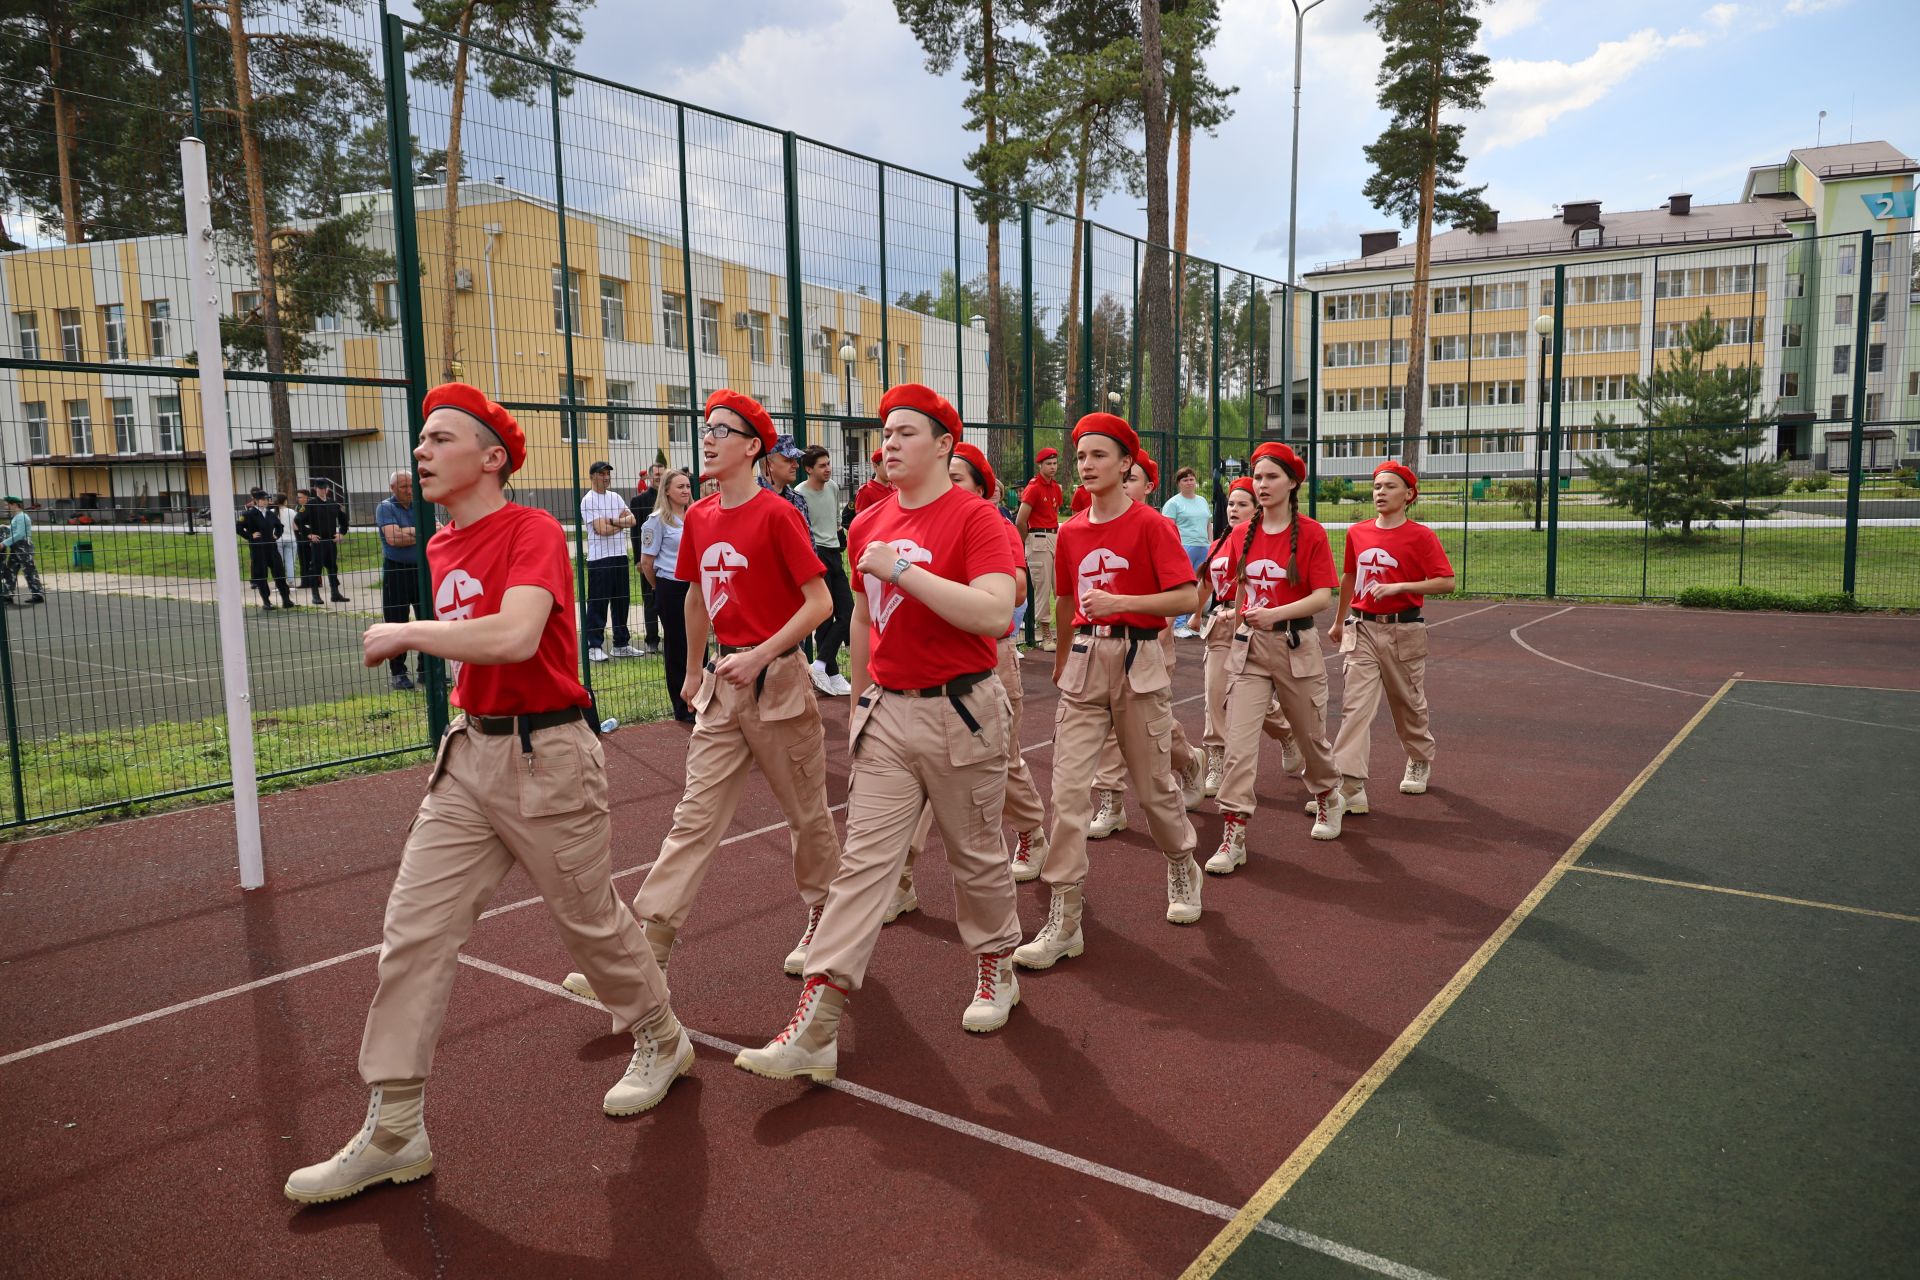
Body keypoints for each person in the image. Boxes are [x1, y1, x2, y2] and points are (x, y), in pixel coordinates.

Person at [283, 383, 689, 1206]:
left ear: (492, 457)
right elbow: (481, 653)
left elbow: (513, 634)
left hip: (551, 756)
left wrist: (407, 632)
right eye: (420, 439)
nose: (421, 451)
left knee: (591, 926)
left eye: (440, 439)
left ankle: (661, 1035)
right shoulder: (437, 545)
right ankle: (395, 1128)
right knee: (411, 932)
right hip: (469, 756)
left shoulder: (531, 528)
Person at [734, 383, 1022, 1083]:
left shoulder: (976, 519)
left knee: (976, 855)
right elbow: (863, 620)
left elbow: (993, 614)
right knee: (864, 863)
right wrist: (860, 700)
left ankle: (995, 967)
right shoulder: (867, 523)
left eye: (905, 432)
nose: (888, 443)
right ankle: (817, 1021)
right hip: (888, 711)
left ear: (945, 445)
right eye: (884, 432)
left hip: (963, 710)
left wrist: (905, 570)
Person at [561, 390, 839, 999]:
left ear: (751, 447)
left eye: (721, 429)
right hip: (722, 687)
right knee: (692, 820)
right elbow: (692, 596)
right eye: (705, 427)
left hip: (781, 684)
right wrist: (692, 671)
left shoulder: (777, 514)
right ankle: (645, 957)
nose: (707, 437)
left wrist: (762, 654)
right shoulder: (702, 517)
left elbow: (820, 604)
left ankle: (825, 918)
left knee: (805, 817)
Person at [1015, 414, 1203, 974]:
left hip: (1139, 662)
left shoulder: (1150, 525)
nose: (1088, 465)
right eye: (1082, 456)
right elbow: (1067, 603)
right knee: (1068, 792)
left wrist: (1123, 606)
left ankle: (1181, 862)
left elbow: (1186, 597)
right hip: (1083, 668)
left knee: (1154, 789)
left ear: (1126, 464)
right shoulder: (1071, 531)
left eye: (1100, 455)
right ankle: (1064, 916)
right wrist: (1065, 659)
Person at [886, 439, 1050, 922]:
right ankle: (901, 879)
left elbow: (1017, 587)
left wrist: (943, 585)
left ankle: (1032, 831)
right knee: (916, 779)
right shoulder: (919, 521)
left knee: (1007, 764)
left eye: (957, 478)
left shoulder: (992, 524)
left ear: (981, 488)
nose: (946, 484)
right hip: (926, 667)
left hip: (989, 661)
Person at [1211, 442, 1344, 876]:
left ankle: (1327, 794)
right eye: (1257, 477)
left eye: (1270, 477)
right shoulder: (1240, 533)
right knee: (1239, 745)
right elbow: (1238, 587)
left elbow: (1323, 596)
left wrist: (1275, 614)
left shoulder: (1310, 533)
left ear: (1292, 482)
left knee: (1311, 739)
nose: (1262, 485)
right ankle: (1233, 832)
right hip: (1249, 648)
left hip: (1295, 647)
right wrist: (1236, 610)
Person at [1083, 450, 1206, 841]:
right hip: (1101, 648)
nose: (1123, 485)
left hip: (1149, 642)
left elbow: (1178, 591)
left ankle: (1187, 761)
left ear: (1148, 486)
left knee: (1151, 725)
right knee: (1107, 725)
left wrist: (1163, 626)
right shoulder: (1093, 526)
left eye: (1132, 478)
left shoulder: (1156, 526)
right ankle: (1112, 800)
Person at [1322, 460, 1455, 813]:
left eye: (1389, 486)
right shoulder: (1357, 532)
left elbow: (1446, 581)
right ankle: (1349, 786)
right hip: (1362, 627)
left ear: (1409, 494)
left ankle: (1418, 756)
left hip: (1404, 630)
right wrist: (1339, 621)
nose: (1380, 492)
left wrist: (1400, 585)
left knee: (1407, 704)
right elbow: (1350, 577)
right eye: (1377, 486)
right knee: (1355, 708)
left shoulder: (1422, 536)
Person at [639, 469, 696, 723]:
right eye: (680, 487)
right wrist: (657, 588)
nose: (685, 490)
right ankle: (682, 706)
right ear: (667, 491)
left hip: (694, 587)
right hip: (670, 587)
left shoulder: (695, 515)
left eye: (687, 486)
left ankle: (701, 700)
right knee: (677, 646)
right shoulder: (657, 520)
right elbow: (647, 562)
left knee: (697, 645)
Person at [798, 444, 853, 696]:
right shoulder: (800, 494)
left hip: (834, 553)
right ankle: (831, 671)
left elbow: (836, 522)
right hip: (815, 553)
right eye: (822, 465)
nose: (828, 469)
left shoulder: (832, 487)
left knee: (848, 614)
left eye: (828, 463)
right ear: (809, 469)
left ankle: (820, 664)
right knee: (824, 617)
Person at [376, 470, 432, 690]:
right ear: (392, 488)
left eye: (411, 486)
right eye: (403, 487)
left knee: (426, 620)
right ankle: (398, 673)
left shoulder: (422, 504)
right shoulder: (386, 508)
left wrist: (407, 532)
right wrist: (421, 532)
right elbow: (393, 538)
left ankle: (426, 670)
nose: (409, 490)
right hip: (396, 571)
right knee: (396, 622)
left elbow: (437, 532)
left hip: (422, 570)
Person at [581, 460, 642, 663]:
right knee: (598, 602)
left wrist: (613, 521)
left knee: (621, 600)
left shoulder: (615, 497)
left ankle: (621, 643)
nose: (606, 477)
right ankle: (594, 645)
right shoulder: (589, 500)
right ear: (592, 476)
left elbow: (632, 520)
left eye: (608, 474)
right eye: (601, 474)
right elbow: (601, 530)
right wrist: (619, 523)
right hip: (600, 558)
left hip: (619, 555)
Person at [1014, 446, 1063, 652]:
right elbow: (1020, 520)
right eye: (1048, 464)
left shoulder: (1056, 488)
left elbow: (1056, 512)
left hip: (1054, 535)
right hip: (1038, 537)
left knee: (1060, 587)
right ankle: (1045, 635)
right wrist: (1027, 542)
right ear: (1040, 465)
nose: (1052, 467)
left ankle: (1061, 632)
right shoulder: (1033, 488)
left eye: (1054, 463)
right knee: (1042, 588)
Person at [1162, 467, 1213, 637]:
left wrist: (1211, 545)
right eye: (1185, 480)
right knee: (1183, 586)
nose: (1189, 482)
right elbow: (1167, 529)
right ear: (1179, 483)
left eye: (1191, 479)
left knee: (1201, 586)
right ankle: (1178, 625)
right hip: (1184, 547)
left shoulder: (1202, 501)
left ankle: (1194, 621)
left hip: (1203, 547)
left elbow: (1208, 524)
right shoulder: (1173, 503)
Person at [629, 462, 666, 656]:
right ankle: (652, 640)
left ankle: (671, 637)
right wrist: (638, 560)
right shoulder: (639, 501)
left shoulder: (670, 498)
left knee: (670, 599)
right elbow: (635, 534)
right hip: (648, 559)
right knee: (650, 600)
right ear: (650, 477)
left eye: (662, 474)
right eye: (656, 475)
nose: (659, 478)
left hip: (668, 559)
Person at [236, 488, 293, 610]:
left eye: (266, 499)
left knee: (279, 573)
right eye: (263, 499)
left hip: (272, 548)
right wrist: (249, 536)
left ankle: (286, 599)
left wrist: (276, 535)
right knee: (261, 575)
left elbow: (280, 527)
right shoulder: (248, 514)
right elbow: (238, 527)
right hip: (258, 550)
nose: (265, 501)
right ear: (256, 500)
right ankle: (266, 601)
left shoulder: (270, 513)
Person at [300, 479, 350, 604]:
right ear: (315, 489)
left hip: (331, 541)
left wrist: (341, 533)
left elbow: (344, 520)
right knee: (316, 569)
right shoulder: (310, 504)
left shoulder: (333, 503)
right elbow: (298, 521)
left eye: (324, 488)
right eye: (320, 488)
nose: (322, 490)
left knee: (333, 567)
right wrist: (309, 534)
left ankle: (335, 593)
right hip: (318, 543)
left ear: (328, 489)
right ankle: (315, 595)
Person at [759, 434, 812, 526]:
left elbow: (808, 538)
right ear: (769, 465)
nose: (796, 465)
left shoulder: (797, 499)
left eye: (795, 460)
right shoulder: (751, 500)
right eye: (788, 460)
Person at [2, 496, 47, 606]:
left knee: (29, 570)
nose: (6, 506)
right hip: (16, 547)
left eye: (7, 504)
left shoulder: (21, 517)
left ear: (14, 505)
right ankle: (7, 595)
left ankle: (37, 594)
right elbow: (16, 531)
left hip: (23, 546)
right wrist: (6, 528)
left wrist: (4, 543)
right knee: (10, 570)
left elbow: (20, 534)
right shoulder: (17, 517)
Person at [854, 448, 892, 513]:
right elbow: (862, 521)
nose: (890, 468)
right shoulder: (866, 492)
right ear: (875, 465)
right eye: (886, 465)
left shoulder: (896, 489)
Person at [272, 493, 299, 582]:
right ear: (285, 501)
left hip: (277, 539)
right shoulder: (292, 512)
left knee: (279, 563)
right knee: (290, 562)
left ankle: (279, 582)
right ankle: (290, 581)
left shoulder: (271, 512)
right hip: (291, 538)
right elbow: (296, 527)